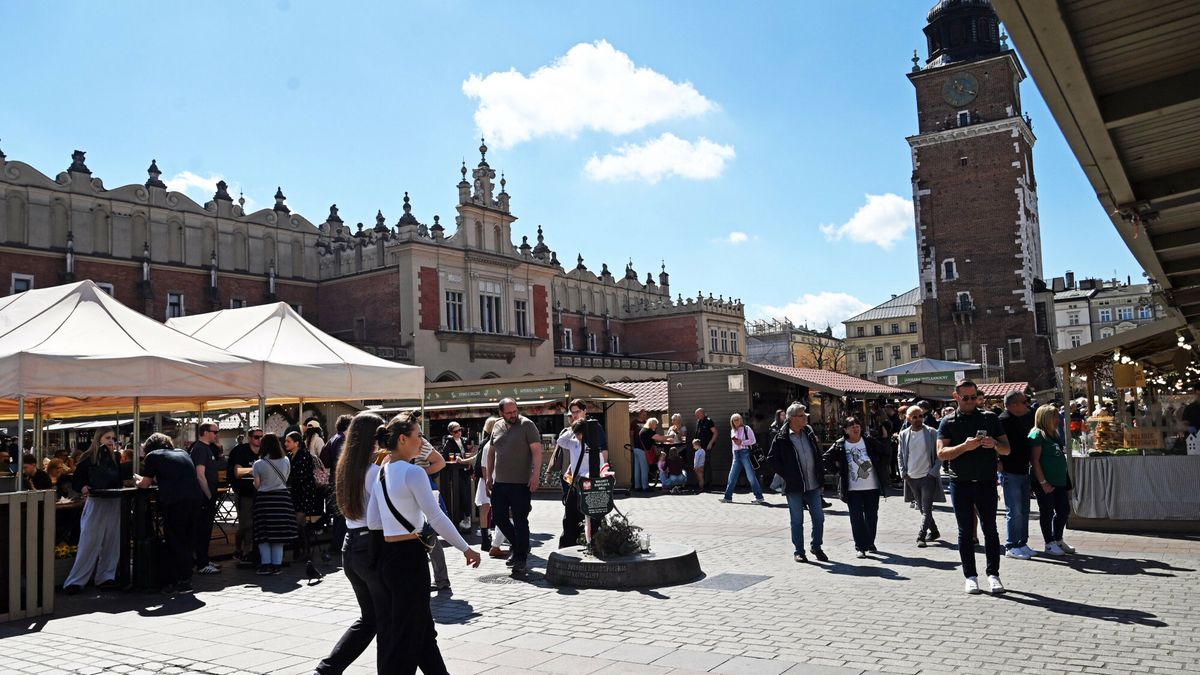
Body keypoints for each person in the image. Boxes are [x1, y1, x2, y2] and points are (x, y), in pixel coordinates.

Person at [370, 411, 481, 674]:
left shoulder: (381, 472)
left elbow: (374, 521)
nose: (422, 441)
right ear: (402, 439)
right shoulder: (413, 473)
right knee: (408, 633)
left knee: (418, 627)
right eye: (418, 436)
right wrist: (465, 548)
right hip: (410, 557)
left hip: (389, 556)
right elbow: (436, 517)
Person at [315, 412, 387, 675]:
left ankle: (327, 669)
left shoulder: (346, 468)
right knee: (384, 619)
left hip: (351, 546)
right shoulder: (374, 472)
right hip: (369, 546)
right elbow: (380, 517)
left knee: (370, 619)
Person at [937, 379, 1011, 595]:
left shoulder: (989, 417)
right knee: (965, 531)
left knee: (990, 529)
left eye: (974, 397)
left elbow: (1007, 449)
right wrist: (965, 447)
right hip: (960, 483)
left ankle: (993, 574)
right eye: (965, 398)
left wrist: (994, 444)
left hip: (987, 482)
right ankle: (970, 576)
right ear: (956, 397)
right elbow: (941, 454)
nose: (970, 401)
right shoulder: (948, 421)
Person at [136, 433, 205, 593]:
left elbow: (145, 484)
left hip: (175, 503)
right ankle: (186, 576)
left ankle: (181, 580)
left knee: (175, 539)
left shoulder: (153, 456)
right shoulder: (182, 453)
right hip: (195, 499)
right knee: (188, 538)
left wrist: (137, 480)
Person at [483, 398, 543, 579]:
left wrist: (536, 474)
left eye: (515, 411)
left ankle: (520, 559)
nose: (513, 415)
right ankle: (518, 547)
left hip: (521, 483)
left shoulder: (527, 425)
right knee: (498, 517)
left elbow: (537, 451)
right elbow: (492, 452)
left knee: (520, 520)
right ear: (501, 413)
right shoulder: (498, 426)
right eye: (509, 413)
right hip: (500, 482)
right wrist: (488, 476)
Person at [62, 428, 124, 594]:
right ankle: (77, 580)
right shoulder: (88, 457)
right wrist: (83, 487)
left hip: (113, 499)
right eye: (108, 437)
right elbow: (76, 480)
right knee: (89, 540)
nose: (111, 441)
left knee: (112, 540)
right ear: (99, 438)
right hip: (97, 500)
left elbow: (117, 479)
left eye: (113, 438)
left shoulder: (115, 457)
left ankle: (106, 576)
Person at [766, 403, 827, 562]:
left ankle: (816, 546)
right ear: (792, 418)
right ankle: (799, 551)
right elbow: (772, 460)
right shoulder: (781, 437)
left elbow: (817, 455)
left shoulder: (809, 433)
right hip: (794, 486)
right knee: (797, 520)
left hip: (813, 484)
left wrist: (821, 476)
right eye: (802, 415)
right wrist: (788, 475)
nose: (806, 417)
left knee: (819, 517)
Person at [824, 417, 890, 558]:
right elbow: (826, 459)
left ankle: (870, 542)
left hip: (871, 487)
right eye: (851, 426)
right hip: (852, 489)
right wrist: (838, 471)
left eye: (857, 425)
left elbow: (886, 453)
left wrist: (879, 466)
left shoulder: (869, 441)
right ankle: (860, 546)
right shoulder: (840, 444)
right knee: (856, 518)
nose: (855, 428)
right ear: (845, 430)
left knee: (872, 516)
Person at [557, 400, 609, 547]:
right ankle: (567, 545)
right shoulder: (572, 436)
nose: (575, 415)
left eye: (577, 412)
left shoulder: (594, 428)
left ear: (584, 411)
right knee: (570, 515)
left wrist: (601, 474)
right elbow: (560, 442)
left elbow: (602, 451)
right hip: (575, 482)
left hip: (591, 481)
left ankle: (593, 543)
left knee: (591, 517)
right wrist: (574, 428)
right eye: (572, 413)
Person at [1030, 406, 1076, 556]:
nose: (1057, 420)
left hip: (1059, 481)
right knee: (1047, 512)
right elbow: (1035, 461)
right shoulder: (1037, 434)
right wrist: (1043, 483)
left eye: (1057, 416)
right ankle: (1049, 543)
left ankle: (1058, 539)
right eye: (1054, 417)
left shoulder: (1053, 434)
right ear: (1045, 418)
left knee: (1063, 510)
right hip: (1045, 482)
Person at [252, 434, 298, 575]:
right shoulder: (286, 460)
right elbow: (286, 478)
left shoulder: (258, 464)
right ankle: (277, 566)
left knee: (263, 535)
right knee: (279, 535)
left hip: (265, 501)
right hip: (282, 500)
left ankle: (266, 565)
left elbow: (257, 485)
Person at [998, 391, 1036, 560]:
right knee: (1014, 511)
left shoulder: (1022, 418)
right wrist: (998, 462)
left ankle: (1021, 542)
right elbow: (996, 443)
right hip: (1010, 471)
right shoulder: (1003, 420)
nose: (1027, 404)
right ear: (1013, 404)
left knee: (1024, 510)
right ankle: (1011, 545)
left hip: (1023, 469)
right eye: (1024, 402)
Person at [898, 406, 942, 547]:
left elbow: (940, 454)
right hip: (911, 477)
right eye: (915, 417)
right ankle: (934, 531)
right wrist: (903, 472)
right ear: (909, 419)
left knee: (927, 508)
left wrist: (933, 472)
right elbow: (900, 455)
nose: (918, 419)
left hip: (927, 476)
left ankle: (921, 536)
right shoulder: (904, 434)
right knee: (922, 508)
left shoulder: (931, 432)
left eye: (920, 416)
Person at [226, 427, 262, 567]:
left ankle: (245, 551)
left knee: (252, 524)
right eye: (256, 437)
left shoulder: (264, 452)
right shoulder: (241, 451)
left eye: (261, 437)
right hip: (244, 492)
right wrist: (257, 469)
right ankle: (243, 551)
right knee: (246, 524)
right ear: (249, 438)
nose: (259, 440)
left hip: (259, 493)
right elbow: (237, 472)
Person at [189, 421, 222, 576]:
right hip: (204, 496)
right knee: (202, 529)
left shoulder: (207, 448)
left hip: (209, 494)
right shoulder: (200, 449)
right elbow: (200, 474)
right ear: (205, 432)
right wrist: (208, 495)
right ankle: (201, 563)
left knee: (206, 529)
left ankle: (204, 559)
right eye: (214, 432)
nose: (217, 435)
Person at [473, 417, 509, 558]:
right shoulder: (489, 445)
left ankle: (489, 541)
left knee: (490, 511)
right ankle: (491, 542)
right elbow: (483, 466)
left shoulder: (489, 443)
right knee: (496, 512)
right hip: (492, 483)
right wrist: (488, 482)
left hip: (491, 482)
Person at [320, 414, 355, 562]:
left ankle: (337, 544)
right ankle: (338, 545)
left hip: (335, 481)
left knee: (339, 516)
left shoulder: (334, 439)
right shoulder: (341, 440)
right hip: (341, 482)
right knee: (341, 516)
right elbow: (344, 462)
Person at [285, 430, 322, 561]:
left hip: (305, 492)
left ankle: (305, 550)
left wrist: (291, 479)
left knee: (300, 522)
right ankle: (298, 550)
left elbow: (305, 475)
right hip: (294, 492)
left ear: (297, 443)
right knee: (297, 523)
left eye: (288, 441)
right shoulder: (289, 456)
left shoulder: (305, 455)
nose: (285, 444)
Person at [721, 413, 765, 505]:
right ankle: (727, 497)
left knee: (751, 476)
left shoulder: (747, 428)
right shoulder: (732, 430)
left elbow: (753, 440)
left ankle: (759, 497)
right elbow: (734, 444)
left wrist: (742, 442)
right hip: (736, 455)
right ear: (732, 422)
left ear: (741, 420)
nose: (737, 421)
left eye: (738, 419)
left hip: (745, 453)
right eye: (734, 420)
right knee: (732, 476)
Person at [440, 421, 473, 530]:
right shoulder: (449, 442)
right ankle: (463, 519)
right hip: (456, 473)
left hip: (465, 471)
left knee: (467, 495)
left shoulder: (463, 440)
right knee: (461, 495)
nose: (459, 432)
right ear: (451, 432)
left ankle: (467, 518)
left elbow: (466, 454)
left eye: (460, 430)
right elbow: (445, 456)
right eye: (456, 431)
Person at [637, 418, 669, 493]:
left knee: (638, 470)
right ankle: (645, 488)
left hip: (638, 450)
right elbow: (659, 438)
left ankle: (637, 487)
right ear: (651, 424)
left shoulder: (643, 430)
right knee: (645, 470)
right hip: (644, 452)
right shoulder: (648, 431)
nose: (656, 426)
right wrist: (670, 436)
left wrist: (667, 440)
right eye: (655, 424)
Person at [694, 408, 717, 490]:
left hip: (706, 447)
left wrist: (711, 443)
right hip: (699, 448)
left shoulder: (709, 421)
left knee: (707, 464)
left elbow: (715, 433)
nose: (696, 416)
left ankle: (709, 484)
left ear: (702, 413)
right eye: (696, 415)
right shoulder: (698, 421)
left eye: (698, 414)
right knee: (699, 465)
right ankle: (701, 483)